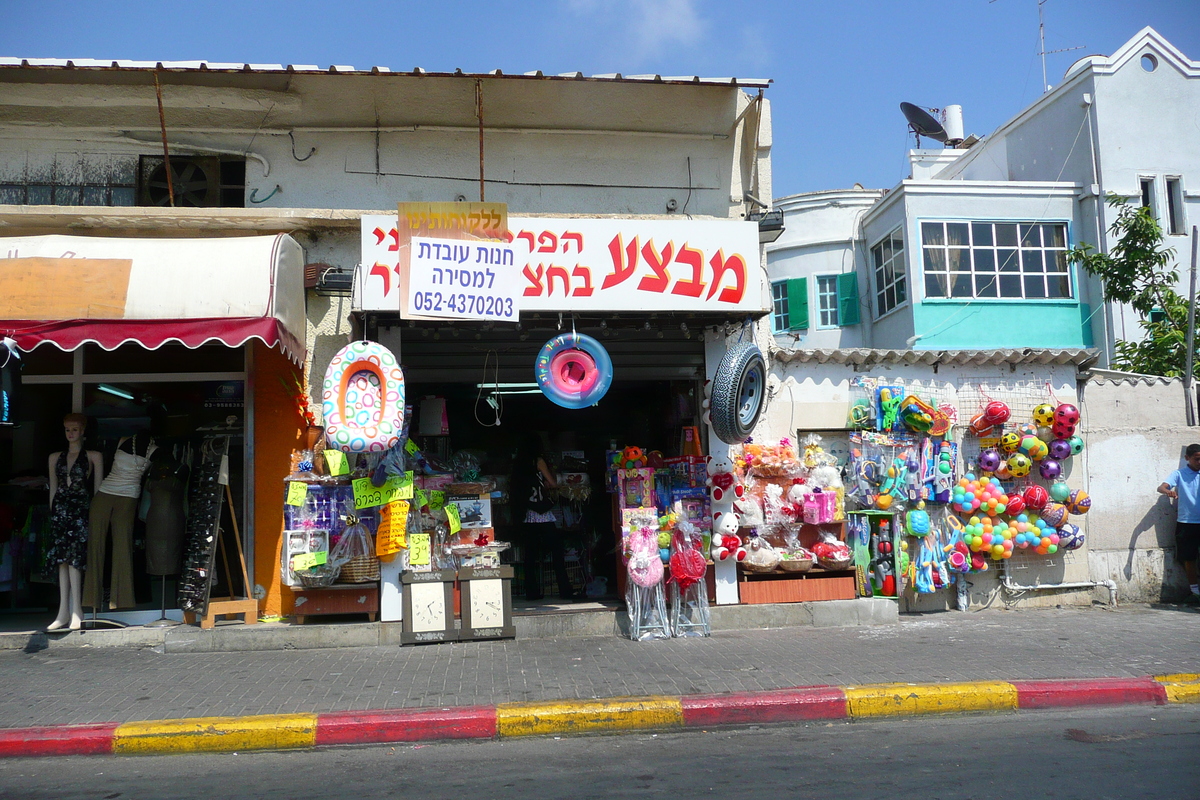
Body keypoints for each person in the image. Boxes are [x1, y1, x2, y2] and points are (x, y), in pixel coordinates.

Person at [84, 432, 156, 610]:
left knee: (122, 546)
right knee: (95, 546)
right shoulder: (123, 440)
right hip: (104, 493)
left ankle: (121, 602)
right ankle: (91, 601)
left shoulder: (155, 450)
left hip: (128, 496)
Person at [45, 413, 104, 631]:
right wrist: (53, 513)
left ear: (83, 431)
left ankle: (76, 610)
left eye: (75, 430)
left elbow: (97, 490)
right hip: (61, 511)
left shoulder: (94, 456)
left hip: (81, 511)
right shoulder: (54, 457)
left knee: (75, 561)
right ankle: (63, 611)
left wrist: (96, 516)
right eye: (68, 430)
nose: (71, 434)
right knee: (62, 560)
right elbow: (53, 487)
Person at [513, 436, 575, 602]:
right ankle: (565, 590)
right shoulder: (538, 461)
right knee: (557, 553)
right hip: (543, 515)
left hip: (528, 515)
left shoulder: (518, 464)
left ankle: (531, 592)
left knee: (530, 557)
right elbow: (552, 484)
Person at [1158, 443, 1200, 602]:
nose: (1199, 462)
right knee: (1189, 558)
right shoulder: (1179, 474)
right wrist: (1168, 491)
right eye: (1197, 459)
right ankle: (1194, 591)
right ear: (1187, 458)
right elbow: (1161, 487)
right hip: (1187, 522)